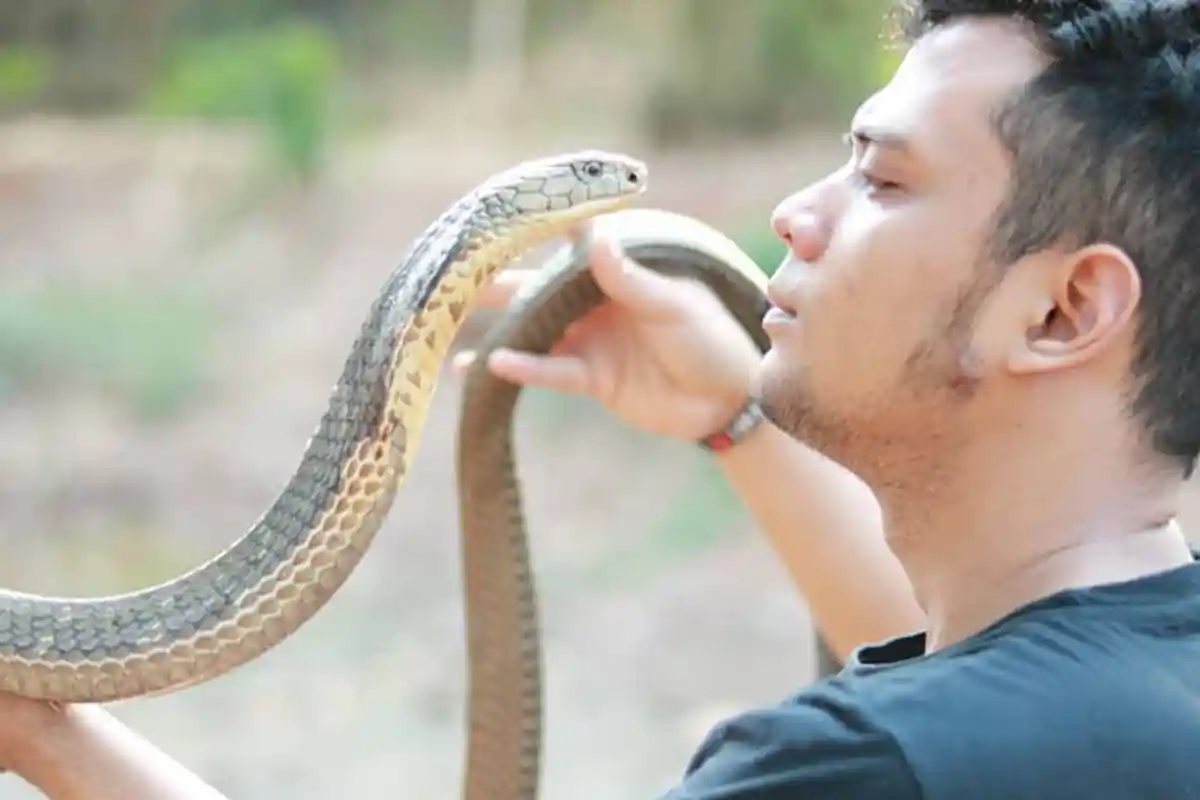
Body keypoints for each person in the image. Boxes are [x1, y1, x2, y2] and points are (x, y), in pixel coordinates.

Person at [5, 0, 1200, 796]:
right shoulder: (1142, 692)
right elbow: (994, 655)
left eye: (883, 178)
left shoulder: (856, 768)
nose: (797, 213)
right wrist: (735, 412)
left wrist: (39, 732)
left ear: (1064, 308)